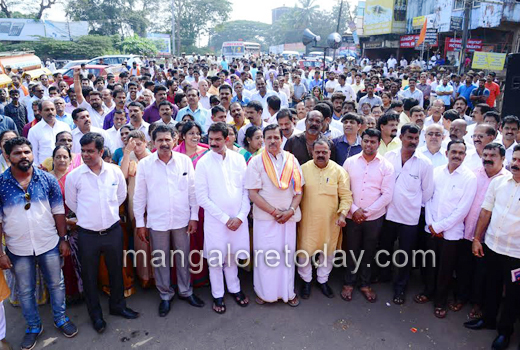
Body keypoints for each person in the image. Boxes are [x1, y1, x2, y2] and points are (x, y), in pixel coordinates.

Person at [0, 137, 78, 349]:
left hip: (49, 244)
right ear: (7, 156)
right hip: (18, 249)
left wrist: (63, 240)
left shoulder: (47, 179)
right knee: (26, 290)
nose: (24, 156)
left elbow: (59, 212)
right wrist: (1, 253)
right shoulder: (1, 184)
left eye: (27, 152)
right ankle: (34, 326)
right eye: (17, 153)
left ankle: (61, 319)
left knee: (56, 283)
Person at [65, 132, 139, 333]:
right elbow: (72, 202)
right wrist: (90, 216)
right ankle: (96, 316)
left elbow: (121, 195)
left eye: (91, 151)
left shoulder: (114, 172)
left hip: (113, 231)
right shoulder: (74, 177)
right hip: (87, 234)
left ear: (101, 151)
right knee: (90, 276)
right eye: (83, 151)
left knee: (116, 271)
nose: (86, 155)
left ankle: (118, 306)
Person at [133, 125, 204, 317]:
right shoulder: (145, 164)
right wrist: (140, 222)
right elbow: (139, 195)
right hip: (157, 221)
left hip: (182, 219)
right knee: (161, 259)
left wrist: (194, 216)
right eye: (160, 140)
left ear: (174, 140)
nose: (164, 144)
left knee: (183, 256)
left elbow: (193, 191)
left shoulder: (184, 161)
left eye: (167, 139)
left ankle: (185, 291)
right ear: (153, 142)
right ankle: (165, 295)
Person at [465, 144, 520, 350]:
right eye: (514, 159)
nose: (516, 164)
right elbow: (486, 212)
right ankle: (488, 320)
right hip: (493, 246)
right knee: (491, 286)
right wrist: (477, 239)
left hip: (517, 254)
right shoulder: (499, 182)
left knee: (513, 295)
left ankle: (505, 332)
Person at [195, 122, 250, 314]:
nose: (213, 143)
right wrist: (226, 219)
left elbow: (246, 191)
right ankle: (218, 293)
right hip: (216, 221)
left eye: (218, 139)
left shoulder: (238, 159)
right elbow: (201, 197)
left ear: (227, 139)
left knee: (232, 256)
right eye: (211, 139)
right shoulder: (203, 163)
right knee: (216, 259)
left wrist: (241, 216)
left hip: (238, 220)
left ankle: (234, 288)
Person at [245, 124, 303, 306]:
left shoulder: (292, 160)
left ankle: (288, 293)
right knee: (266, 257)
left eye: (276, 137)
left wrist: (290, 211)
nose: (272, 141)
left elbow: (299, 191)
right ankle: (264, 293)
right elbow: (252, 193)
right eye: (268, 137)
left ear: (282, 139)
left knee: (286, 256)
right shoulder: (256, 161)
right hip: (266, 218)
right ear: (263, 139)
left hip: (288, 218)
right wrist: (274, 212)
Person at [419, 140, 477, 319]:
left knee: (445, 269)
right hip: (431, 227)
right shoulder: (436, 172)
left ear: (465, 156)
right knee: (430, 264)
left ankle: (440, 301)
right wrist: (431, 224)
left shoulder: (469, 178)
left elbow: (462, 210)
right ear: (446, 153)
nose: (457, 155)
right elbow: (428, 198)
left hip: (451, 233)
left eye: (461, 153)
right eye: (454, 152)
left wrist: (439, 226)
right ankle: (428, 292)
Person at [380, 124, 434, 305]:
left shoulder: (424, 163)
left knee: (405, 254)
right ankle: (383, 276)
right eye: (409, 138)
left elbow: (427, 192)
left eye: (416, 138)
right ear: (401, 137)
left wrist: (410, 203)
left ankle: (400, 287)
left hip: (410, 217)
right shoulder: (389, 156)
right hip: (388, 213)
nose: (413, 142)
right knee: (385, 247)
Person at [342, 128, 395, 302]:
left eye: (373, 142)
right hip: (352, 215)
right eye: (366, 141)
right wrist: (354, 209)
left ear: (378, 144)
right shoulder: (350, 162)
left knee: (369, 252)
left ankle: (364, 283)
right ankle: (349, 283)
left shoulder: (386, 166)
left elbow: (387, 194)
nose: (369, 144)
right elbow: (343, 190)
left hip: (374, 218)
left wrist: (366, 212)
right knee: (351, 250)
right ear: (361, 141)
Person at [458, 142, 508, 321]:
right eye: (485, 155)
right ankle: (462, 298)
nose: (487, 159)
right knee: (464, 267)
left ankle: (478, 304)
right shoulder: (473, 174)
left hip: (489, 238)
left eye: (492, 156)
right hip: (467, 231)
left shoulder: (507, 180)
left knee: (483, 274)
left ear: (503, 158)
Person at [298, 138, 352, 299]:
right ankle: (306, 280)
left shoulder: (339, 171)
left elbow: (346, 196)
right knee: (304, 252)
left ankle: (323, 280)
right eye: (317, 152)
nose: (320, 155)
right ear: (311, 153)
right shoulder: (302, 169)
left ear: (330, 153)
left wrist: (342, 214)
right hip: (307, 220)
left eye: (324, 152)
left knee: (328, 253)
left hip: (331, 221)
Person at [49, 145, 83, 303]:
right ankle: (62, 295)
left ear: (70, 160)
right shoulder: (46, 178)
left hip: (75, 224)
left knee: (76, 259)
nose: (61, 160)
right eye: (58, 156)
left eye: (65, 157)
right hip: (52, 226)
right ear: (53, 159)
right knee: (59, 261)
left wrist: (74, 220)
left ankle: (79, 291)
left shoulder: (75, 177)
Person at [120, 130, 153, 288]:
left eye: (139, 144)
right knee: (141, 241)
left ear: (146, 143)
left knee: (155, 241)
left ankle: (157, 276)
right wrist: (127, 153)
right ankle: (144, 277)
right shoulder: (129, 158)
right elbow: (122, 176)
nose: (137, 148)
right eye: (133, 145)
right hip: (134, 205)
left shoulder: (153, 158)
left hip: (153, 204)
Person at [27, 100, 71, 166]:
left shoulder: (64, 126)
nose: (50, 112)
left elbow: (71, 147)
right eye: (47, 110)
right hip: (45, 169)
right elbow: (33, 153)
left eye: (52, 109)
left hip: (65, 166)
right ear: (40, 112)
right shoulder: (34, 130)